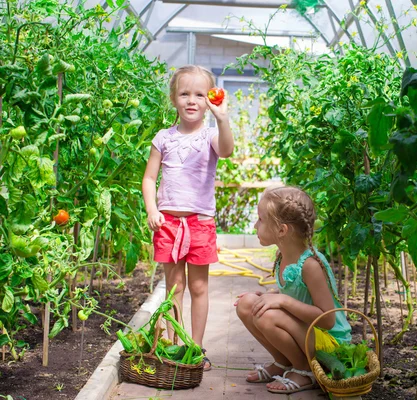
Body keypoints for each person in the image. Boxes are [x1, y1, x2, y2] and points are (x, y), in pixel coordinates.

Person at [142, 65, 233, 371]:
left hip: (200, 223)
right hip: (168, 223)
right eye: (184, 93)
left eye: (199, 94)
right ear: (174, 98)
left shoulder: (210, 135)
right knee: (174, 287)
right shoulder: (163, 138)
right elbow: (149, 178)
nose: (191, 100)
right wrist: (153, 210)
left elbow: (228, 150)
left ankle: (196, 348)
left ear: (209, 99)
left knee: (199, 288)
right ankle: (174, 346)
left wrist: (223, 119)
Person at [234, 186, 351, 394]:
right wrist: (270, 297)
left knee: (267, 317)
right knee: (247, 305)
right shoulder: (283, 256)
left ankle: (306, 370)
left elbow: (327, 319)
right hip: (307, 334)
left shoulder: (311, 265)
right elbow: (296, 295)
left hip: (329, 344)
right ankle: (283, 363)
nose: (255, 225)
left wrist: (282, 302)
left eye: (260, 220)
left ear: (281, 230)